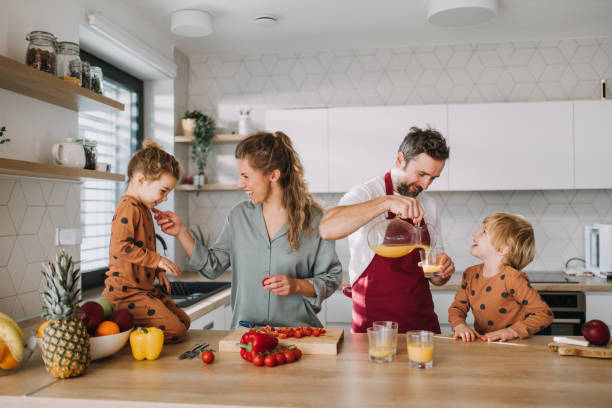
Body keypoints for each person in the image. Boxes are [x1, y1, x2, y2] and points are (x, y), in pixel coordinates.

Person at [153, 131, 343, 329]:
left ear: (273, 175)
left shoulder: (314, 221)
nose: (239, 183)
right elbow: (211, 267)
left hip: (298, 335)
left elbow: (332, 277)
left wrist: (297, 285)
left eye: (245, 176)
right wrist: (181, 232)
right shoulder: (238, 217)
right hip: (247, 338)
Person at [319, 126, 455, 333]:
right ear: (400, 160)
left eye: (433, 178)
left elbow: (434, 277)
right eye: (421, 174)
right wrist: (386, 203)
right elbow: (327, 228)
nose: (426, 185)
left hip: (422, 328)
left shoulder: (429, 205)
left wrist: (441, 272)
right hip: (373, 330)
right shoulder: (367, 192)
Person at [102, 139, 190, 344]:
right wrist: (157, 260)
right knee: (176, 330)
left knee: (184, 322)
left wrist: (157, 270)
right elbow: (120, 246)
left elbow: (141, 248)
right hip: (126, 294)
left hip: (142, 290)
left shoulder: (142, 208)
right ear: (141, 180)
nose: (166, 198)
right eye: (163, 190)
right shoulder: (128, 207)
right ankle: (123, 333)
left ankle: (127, 330)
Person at [449, 213, 553, 342]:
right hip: (485, 345)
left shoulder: (513, 278)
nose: (475, 234)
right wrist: (459, 326)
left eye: (484, 232)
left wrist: (512, 331)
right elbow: (457, 308)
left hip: (514, 346)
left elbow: (543, 314)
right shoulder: (470, 274)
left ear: (502, 249)